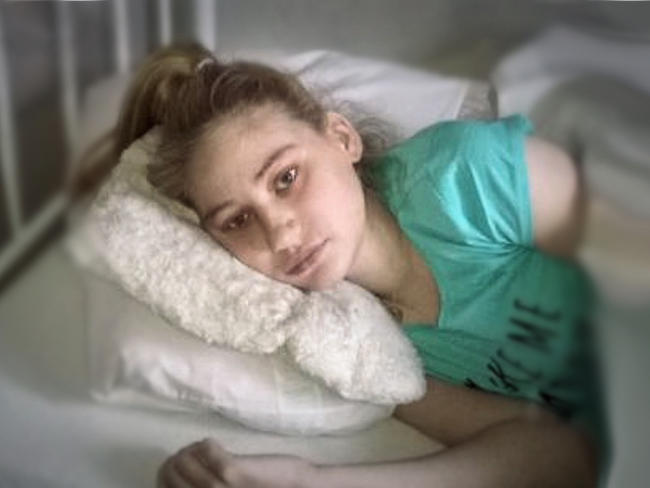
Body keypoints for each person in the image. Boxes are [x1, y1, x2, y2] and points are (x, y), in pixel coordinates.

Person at [87, 43, 606, 487]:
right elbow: (566, 451)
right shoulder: (368, 353)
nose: (280, 234)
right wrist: (309, 480)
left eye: (286, 178)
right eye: (237, 220)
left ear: (342, 138)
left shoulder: (466, 177)